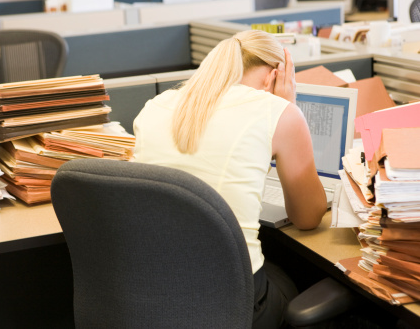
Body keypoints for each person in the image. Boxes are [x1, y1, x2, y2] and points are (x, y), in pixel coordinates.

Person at [132, 29, 327, 328]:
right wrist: (287, 105)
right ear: (275, 76)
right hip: (234, 301)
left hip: (155, 291)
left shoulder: (154, 106)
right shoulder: (278, 111)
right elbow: (307, 217)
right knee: (298, 273)